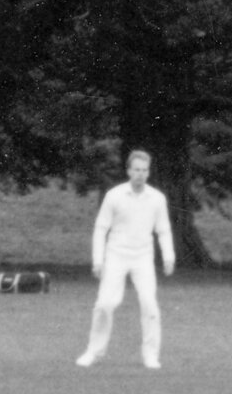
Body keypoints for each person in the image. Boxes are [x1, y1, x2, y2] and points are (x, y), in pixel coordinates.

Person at [75, 150, 176, 370]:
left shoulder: (157, 199)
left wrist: (168, 256)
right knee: (104, 304)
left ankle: (151, 355)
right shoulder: (115, 195)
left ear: (148, 172)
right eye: (136, 170)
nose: (140, 174)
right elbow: (101, 228)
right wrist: (98, 260)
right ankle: (94, 351)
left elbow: (164, 230)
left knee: (149, 303)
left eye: (144, 170)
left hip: (143, 257)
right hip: (116, 255)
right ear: (129, 171)